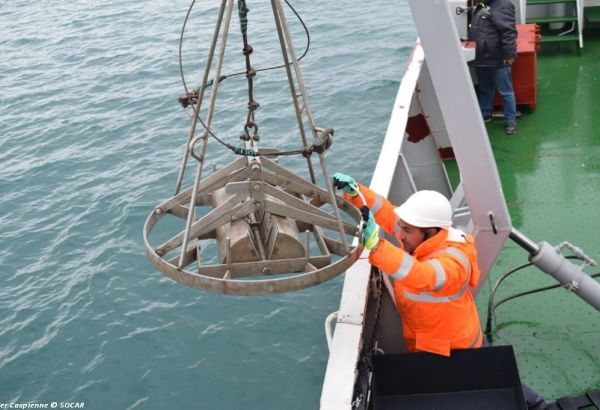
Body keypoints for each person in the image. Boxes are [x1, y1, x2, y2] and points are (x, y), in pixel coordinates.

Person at [333, 173, 547, 409]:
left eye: (406, 230)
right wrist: (357, 194)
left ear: (431, 231)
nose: (399, 234)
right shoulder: (419, 235)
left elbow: (424, 276)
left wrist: (378, 247)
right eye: (401, 228)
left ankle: (539, 407)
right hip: (429, 343)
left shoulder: (455, 260)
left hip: (457, 349)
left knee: (486, 385)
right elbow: (387, 213)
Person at [469, 0, 518, 135]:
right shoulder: (482, 3)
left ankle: (511, 121)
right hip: (481, 58)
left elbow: (509, 32)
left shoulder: (503, 5)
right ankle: (485, 114)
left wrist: (509, 55)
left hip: (497, 58)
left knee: (505, 91)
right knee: (485, 89)